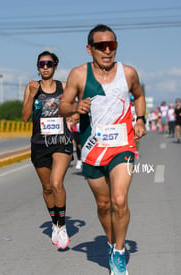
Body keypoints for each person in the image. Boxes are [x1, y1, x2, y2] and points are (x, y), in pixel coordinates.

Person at [59, 24, 146, 275]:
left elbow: (138, 96)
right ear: (90, 49)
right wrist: (76, 107)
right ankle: (110, 242)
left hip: (123, 146)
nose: (107, 50)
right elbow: (63, 106)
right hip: (92, 149)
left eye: (112, 45)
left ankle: (118, 252)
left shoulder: (127, 73)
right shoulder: (78, 75)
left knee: (119, 200)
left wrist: (140, 120)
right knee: (104, 204)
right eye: (101, 46)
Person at [21, 51, 72, 249]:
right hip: (39, 143)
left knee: (56, 183)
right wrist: (32, 95)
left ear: (55, 66)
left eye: (48, 64)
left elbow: (73, 109)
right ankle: (54, 223)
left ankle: (62, 225)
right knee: (47, 188)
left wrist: (73, 114)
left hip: (61, 140)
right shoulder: (31, 87)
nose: (45, 67)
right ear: (37, 66)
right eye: (41, 64)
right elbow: (25, 117)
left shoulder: (64, 87)